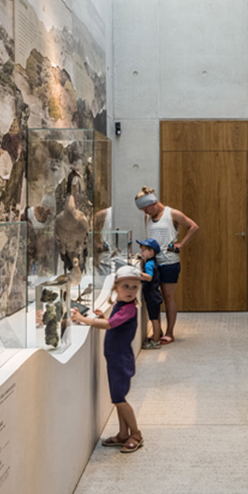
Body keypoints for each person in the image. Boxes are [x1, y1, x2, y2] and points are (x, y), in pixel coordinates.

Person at [71, 265, 144, 453]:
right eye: (125, 286)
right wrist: (102, 316)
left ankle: (135, 433)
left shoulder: (129, 309)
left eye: (134, 287)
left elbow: (110, 325)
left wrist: (85, 319)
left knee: (120, 399)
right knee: (117, 398)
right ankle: (122, 433)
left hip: (121, 360)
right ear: (116, 287)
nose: (130, 291)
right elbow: (113, 320)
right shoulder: (121, 306)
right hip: (115, 358)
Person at [135, 187, 198, 344]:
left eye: (146, 209)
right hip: (152, 263)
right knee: (153, 298)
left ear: (153, 203)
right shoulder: (147, 218)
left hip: (169, 262)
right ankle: (158, 330)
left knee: (168, 297)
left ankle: (170, 333)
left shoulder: (172, 214)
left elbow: (193, 227)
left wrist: (180, 244)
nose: (145, 213)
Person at [137, 239, 163, 349]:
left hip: (152, 296)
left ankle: (155, 341)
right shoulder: (153, 262)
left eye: (143, 251)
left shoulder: (149, 265)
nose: (141, 253)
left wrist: (138, 273)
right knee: (155, 317)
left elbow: (149, 277)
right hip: (155, 294)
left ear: (151, 252)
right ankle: (157, 336)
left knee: (154, 319)